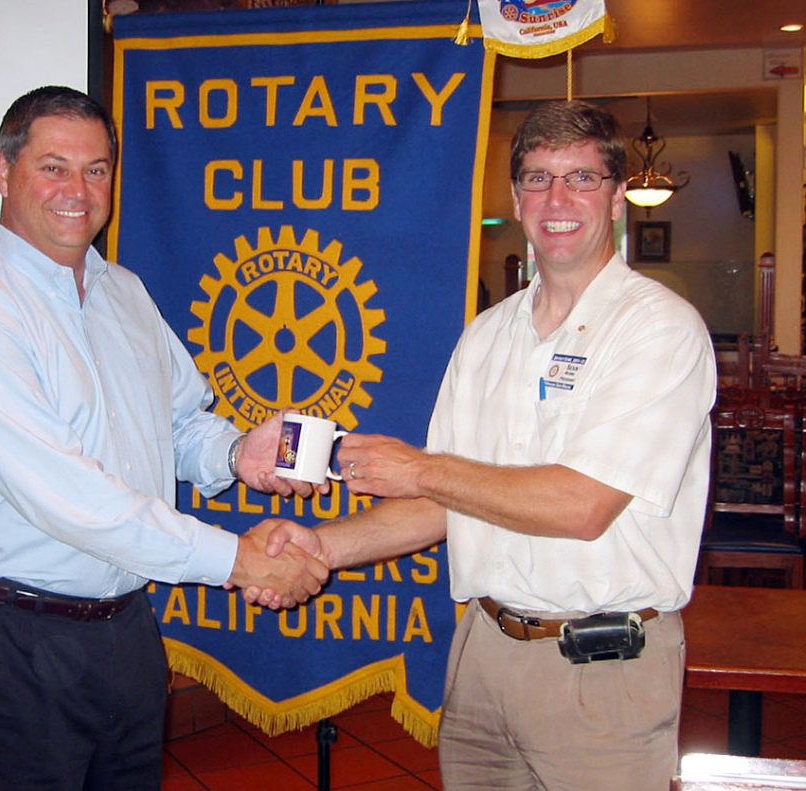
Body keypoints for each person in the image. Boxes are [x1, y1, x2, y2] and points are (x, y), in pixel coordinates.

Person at [246, 100, 717, 790]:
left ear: (618, 198)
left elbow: (581, 504)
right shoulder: (487, 335)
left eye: (581, 178)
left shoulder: (660, 330)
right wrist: (325, 546)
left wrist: (421, 468)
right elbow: (445, 502)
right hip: (481, 656)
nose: (558, 200)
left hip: (602, 671)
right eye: (537, 178)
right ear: (517, 197)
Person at [0, 85, 327, 790]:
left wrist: (232, 453)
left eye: (96, 168)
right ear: (4, 173)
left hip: (124, 632)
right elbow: (71, 499)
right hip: (7, 638)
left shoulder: (124, 292)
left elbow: (179, 420)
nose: (78, 189)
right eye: (54, 166)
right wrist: (240, 561)